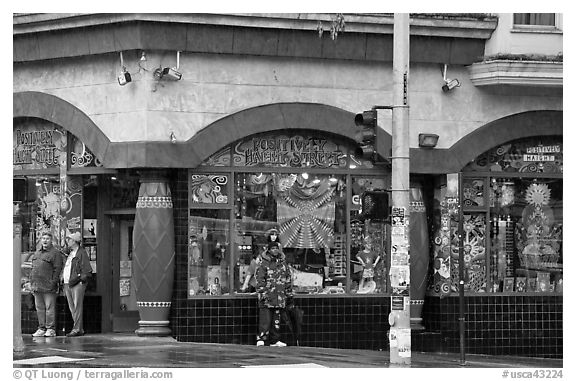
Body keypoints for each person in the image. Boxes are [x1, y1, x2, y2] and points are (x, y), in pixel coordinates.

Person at [255, 241, 294, 347]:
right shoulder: (263, 263)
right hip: (267, 296)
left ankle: (275, 340)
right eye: (272, 248)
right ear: (268, 250)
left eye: (276, 248)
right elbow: (259, 279)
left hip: (279, 296)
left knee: (276, 319)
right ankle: (262, 338)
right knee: (265, 319)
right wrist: (262, 292)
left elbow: (288, 278)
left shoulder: (283, 263)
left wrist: (289, 294)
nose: (275, 250)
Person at [29, 232, 63, 337]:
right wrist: (31, 283)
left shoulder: (55, 253)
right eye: (43, 238)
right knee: (39, 308)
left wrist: (53, 283)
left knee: (49, 308)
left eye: (47, 238)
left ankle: (50, 329)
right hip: (37, 286)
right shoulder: (37, 253)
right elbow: (32, 268)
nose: (44, 240)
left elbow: (57, 269)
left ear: (51, 240)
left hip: (49, 286)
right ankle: (41, 328)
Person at [62, 231, 93, 337]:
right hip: (68, 283)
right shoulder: (70, 253)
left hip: (76, 283)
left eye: (69, 239)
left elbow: (87, 269)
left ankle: (77, 329)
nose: (67, 241)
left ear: (75, 241)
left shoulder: (81, 253)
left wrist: (81, 280)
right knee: (72, 307)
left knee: (77, 306)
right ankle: (78, 328)